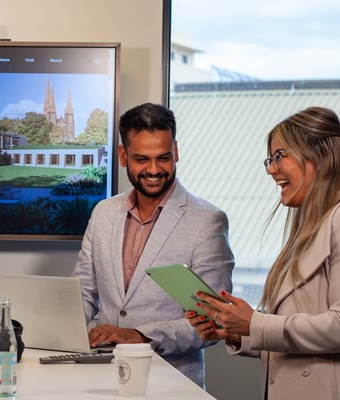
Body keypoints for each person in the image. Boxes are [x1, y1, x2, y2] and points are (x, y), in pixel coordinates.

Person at [187, 106, 340, 399]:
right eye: (270, 160)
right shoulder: (317, 225)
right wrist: (238, 330)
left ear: (317, 156)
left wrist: (255, 323)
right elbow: (300, 327)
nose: (272, 169)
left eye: (279, 156)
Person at [72, 102, 234, 386]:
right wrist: (56, 328)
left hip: (171, 383)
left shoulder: (208, 220)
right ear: (123, 156)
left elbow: (213, 321)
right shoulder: (103, 213)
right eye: (142, 159)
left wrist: (140, 335)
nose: (154, 169)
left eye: (163, 158)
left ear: (177, 152)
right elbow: (83, 292)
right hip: (101, 379)